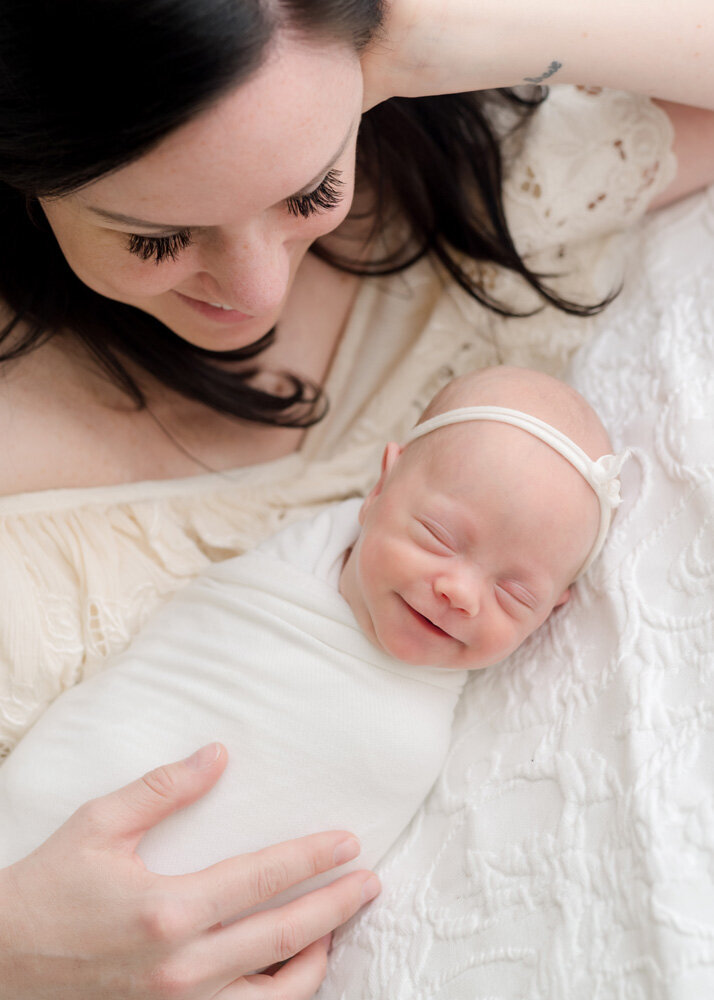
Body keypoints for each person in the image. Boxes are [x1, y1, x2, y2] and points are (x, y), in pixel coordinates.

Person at [0, 0, 712, 996]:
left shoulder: (464, 206)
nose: (255, 294)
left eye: (309, 189)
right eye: (157, 241)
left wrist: (430, 35)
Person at [0, 367, 623, 895]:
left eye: (514, 595)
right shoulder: (287, 573)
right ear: (380, 487)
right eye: (438, 536)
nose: (459, 593)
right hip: (47, 849)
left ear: (552, 615)